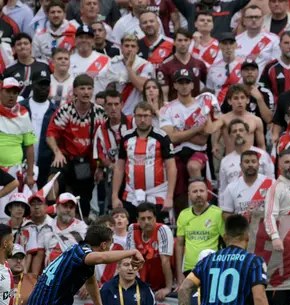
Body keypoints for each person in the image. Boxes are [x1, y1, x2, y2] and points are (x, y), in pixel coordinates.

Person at [46, 74, 107, 216]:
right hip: (66, 157)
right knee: (53, 178)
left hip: (85, 162)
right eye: (82, 88)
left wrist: (100, 166)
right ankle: (50, 214)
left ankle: (81, 222)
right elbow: (50, 135)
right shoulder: (65, 110)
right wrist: (57, 152)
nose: (86, 92)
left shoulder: (99, 112)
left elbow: (104, 142)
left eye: (89, 88)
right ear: (74, 91)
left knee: (82, 201)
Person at [112, 101, 176, 220]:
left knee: (158, 228)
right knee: (131, 228)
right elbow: (119, 168)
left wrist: (169, 196)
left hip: (157, 195)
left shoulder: (162, 137)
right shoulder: (126, 137)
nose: (142, 120)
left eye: (146, 116)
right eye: (139, 116)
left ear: (152, 117)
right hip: (131, 195)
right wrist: (115, 196)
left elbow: (171, 167)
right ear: (134, 117)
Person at [175, 178, 225, 286]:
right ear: (189, 195)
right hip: (189, 269)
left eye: (201, 191)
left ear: (207, 193)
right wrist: (179, 273)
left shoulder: (218, 214)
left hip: (212, 267)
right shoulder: (183, 215)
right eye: (194, 191)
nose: (198, 194)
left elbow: (227, 241)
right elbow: (179, 245)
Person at [94, 256, 158, 305]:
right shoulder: (106, 290)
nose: (130, 268)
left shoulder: (146, 291)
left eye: (134, 265)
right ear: (118, 267)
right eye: (126, 265)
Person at [126, 202, 174, 301]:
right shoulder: (132, 228)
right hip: (141, 280)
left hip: (161, 280)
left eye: (149, 218)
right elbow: (130, 259)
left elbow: (165, 261)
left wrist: (168, 288)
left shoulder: (163, 230)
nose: (147, 221)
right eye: (143, 219)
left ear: (155, 218)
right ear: (137, 220)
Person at [264, 151, 290, 253]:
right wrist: (275, 237)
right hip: (287, 237)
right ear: (280, 166)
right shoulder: (275, 188)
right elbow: (269, 215)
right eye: (287, 162)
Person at [0, 77, 36, 188]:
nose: (11, 95)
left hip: (14, 170)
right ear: (0, 92)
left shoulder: (24, 114)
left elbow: (29, 146)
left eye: (15, 92)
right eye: (8, 91)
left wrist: (29, 175)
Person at [220, 150, 273, 221]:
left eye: (253, 162)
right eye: (247, 162)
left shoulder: (271, 184)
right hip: (242, 227)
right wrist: (240, 221)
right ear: (240, 165)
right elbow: (226, 213)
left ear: (258, 165)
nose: (250, 164)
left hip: (266, 227)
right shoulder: (231, 188)